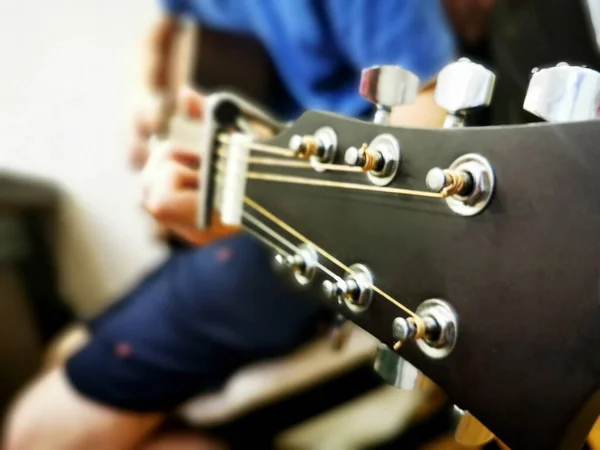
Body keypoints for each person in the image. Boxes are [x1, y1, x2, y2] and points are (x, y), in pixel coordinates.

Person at [3, 1, 456, 449]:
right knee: (61, 351)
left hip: (330, 228)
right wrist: (146, 97)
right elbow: (163, 26)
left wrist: (265, 196)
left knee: (34, 436)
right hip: (247, 213)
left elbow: (428, 116)